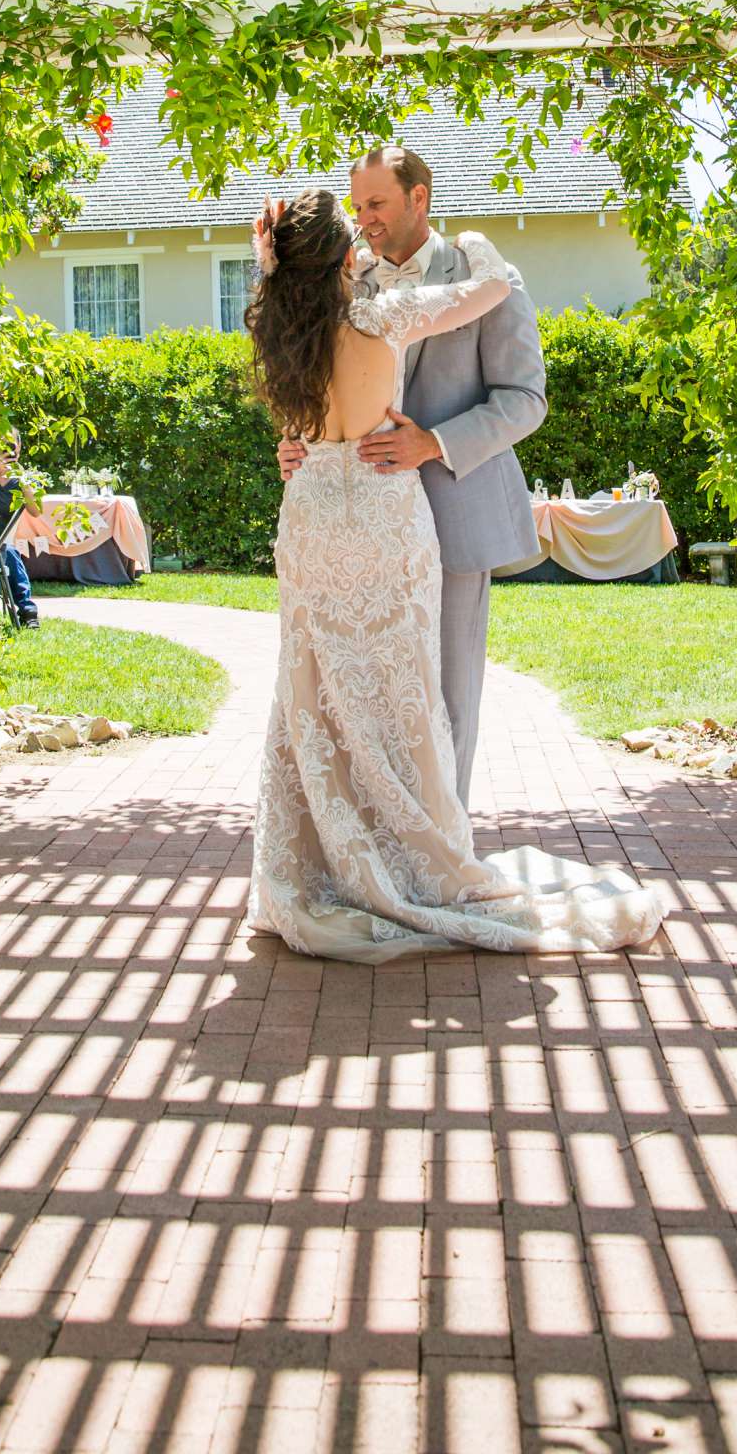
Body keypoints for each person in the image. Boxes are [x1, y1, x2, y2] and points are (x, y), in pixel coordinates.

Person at [248, 189, 663, 966]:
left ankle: (321, 862)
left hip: (308, 518)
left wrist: (268, 259)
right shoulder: (380, 319)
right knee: (401, 690)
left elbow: (291, 395)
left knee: (314, 687)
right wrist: (476, 247)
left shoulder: (277, 331)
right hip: (380, 519)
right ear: (345, 261)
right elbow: (490, 291)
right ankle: (410, 856)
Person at [278, 145, 547, 806]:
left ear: (418, 198)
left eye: (377, 204)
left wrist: (434, 443)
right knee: (362, 698)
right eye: (357, 205)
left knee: (447, 695)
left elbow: (525, 398)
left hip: (455, 512)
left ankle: (443, 853)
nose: (363, 219)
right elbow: (309, 379)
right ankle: (379, 848)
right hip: (362, 533)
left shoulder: (490, 275)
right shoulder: (344, 281)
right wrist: (295, 442)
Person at [0, 436, 41, 628]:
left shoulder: (19, 479)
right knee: (7, 553)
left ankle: (28, 611)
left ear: (19, 447)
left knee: (9, 552)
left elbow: (36, 511)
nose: (7, 449)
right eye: (3, 444)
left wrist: (23, 481)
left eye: (12, 445)